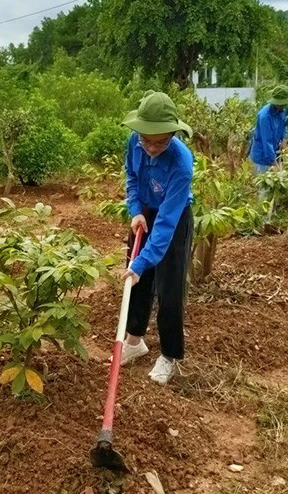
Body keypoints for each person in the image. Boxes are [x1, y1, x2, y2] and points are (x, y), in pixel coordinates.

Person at [118, 90, 195, 385]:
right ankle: (135, 341)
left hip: (172, 220)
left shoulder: (181, 162)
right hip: (145, 214)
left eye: (160, 141)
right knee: (136, 281)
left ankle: (169, 355)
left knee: (169, 290)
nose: (150, 147)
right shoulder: (133, 143)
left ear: (173, 135)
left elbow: (165, 225)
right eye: (146, 139)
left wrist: (144, 260)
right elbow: (132, 177)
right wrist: (135, 210)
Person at [249, 85, 288, 175]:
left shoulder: (284, 109)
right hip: (262, 158)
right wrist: (275, 164)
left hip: (276, 153)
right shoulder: (265, 116)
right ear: (276, 102)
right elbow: (267, 143)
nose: (284, 106)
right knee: (264, 187)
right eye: (282, 104)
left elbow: (285, 124)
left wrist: (284, 138)